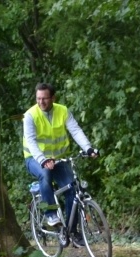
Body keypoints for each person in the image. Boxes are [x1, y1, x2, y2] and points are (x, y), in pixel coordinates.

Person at [23, 82, 98, 247]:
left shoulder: (62, 110)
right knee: (45, 174)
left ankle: (73, 231)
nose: (41, 102)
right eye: (38, 99)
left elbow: (76, 130)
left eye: (45, 98)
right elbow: (31, 141)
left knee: (72, 188)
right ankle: (51, 214)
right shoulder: (30, 115)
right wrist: (43, 159)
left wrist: (88, 148)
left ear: (53, 98)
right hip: (34, 158)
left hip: (58, 158)